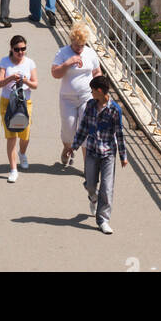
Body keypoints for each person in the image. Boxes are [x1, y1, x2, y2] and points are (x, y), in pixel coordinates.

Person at [70, 74, 127, 234]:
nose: (91, 93)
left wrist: (123, 156)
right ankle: (92, 197)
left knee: (107, 188)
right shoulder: (90, 105)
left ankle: (103, 220)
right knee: (90, 184)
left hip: (108, 153)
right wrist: (73, 147)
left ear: (100, 91)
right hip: (92, 151)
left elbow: (119, 133)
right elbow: (83, 127)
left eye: (93, 91)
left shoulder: (114, 109)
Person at [51, 22, 102, 168]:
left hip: (87, 97)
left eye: (82, 45)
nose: (79, 48)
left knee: (85, 131)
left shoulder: (90, 53)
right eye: (76, 45)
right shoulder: (62, 53)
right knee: (69, 129)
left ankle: (88, 166)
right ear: (71, 41)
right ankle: (67, 147)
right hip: (67, 98)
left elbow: (97, 72)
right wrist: (68, 63)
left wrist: (99, 86)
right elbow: (55, 73)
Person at [0, 34, 38, 181]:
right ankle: (13, 169)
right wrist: (10, 77)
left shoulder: (30, 63)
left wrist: (25, 80)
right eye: (17, 49)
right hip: (8, 102)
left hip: (24, 103)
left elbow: (35, 84)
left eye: (23, 49)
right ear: (11, 49)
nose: (20, 52)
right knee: (11, 135)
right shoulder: (4, 62)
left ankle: (22, 153)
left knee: (25, 134)